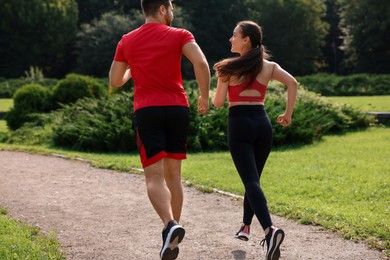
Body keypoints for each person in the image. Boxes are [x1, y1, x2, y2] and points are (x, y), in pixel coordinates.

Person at [109, 1, 210, 259]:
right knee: (174, 176)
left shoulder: (127, 40)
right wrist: (205, 96)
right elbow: (201, 63)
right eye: (172, 8)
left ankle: (169, 225)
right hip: (177, 109)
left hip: (147, 111)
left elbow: (114, 81)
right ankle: (172, 237)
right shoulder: (180, 35)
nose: (173, 14)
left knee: (154, 177)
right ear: (163, 9)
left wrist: (132, 70)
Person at [212, 21, 297, 260]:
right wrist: (287, 114)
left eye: (234, 35)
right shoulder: (269, 66)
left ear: (246, 39)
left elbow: (218, 103)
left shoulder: (226, 67)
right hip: (262, 124)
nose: (231, 39)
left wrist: (205, 98)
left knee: (251, 181)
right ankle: (245, 226)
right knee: (254, 181)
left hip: (239, 124)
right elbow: (292, 83)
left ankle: (270, 231)